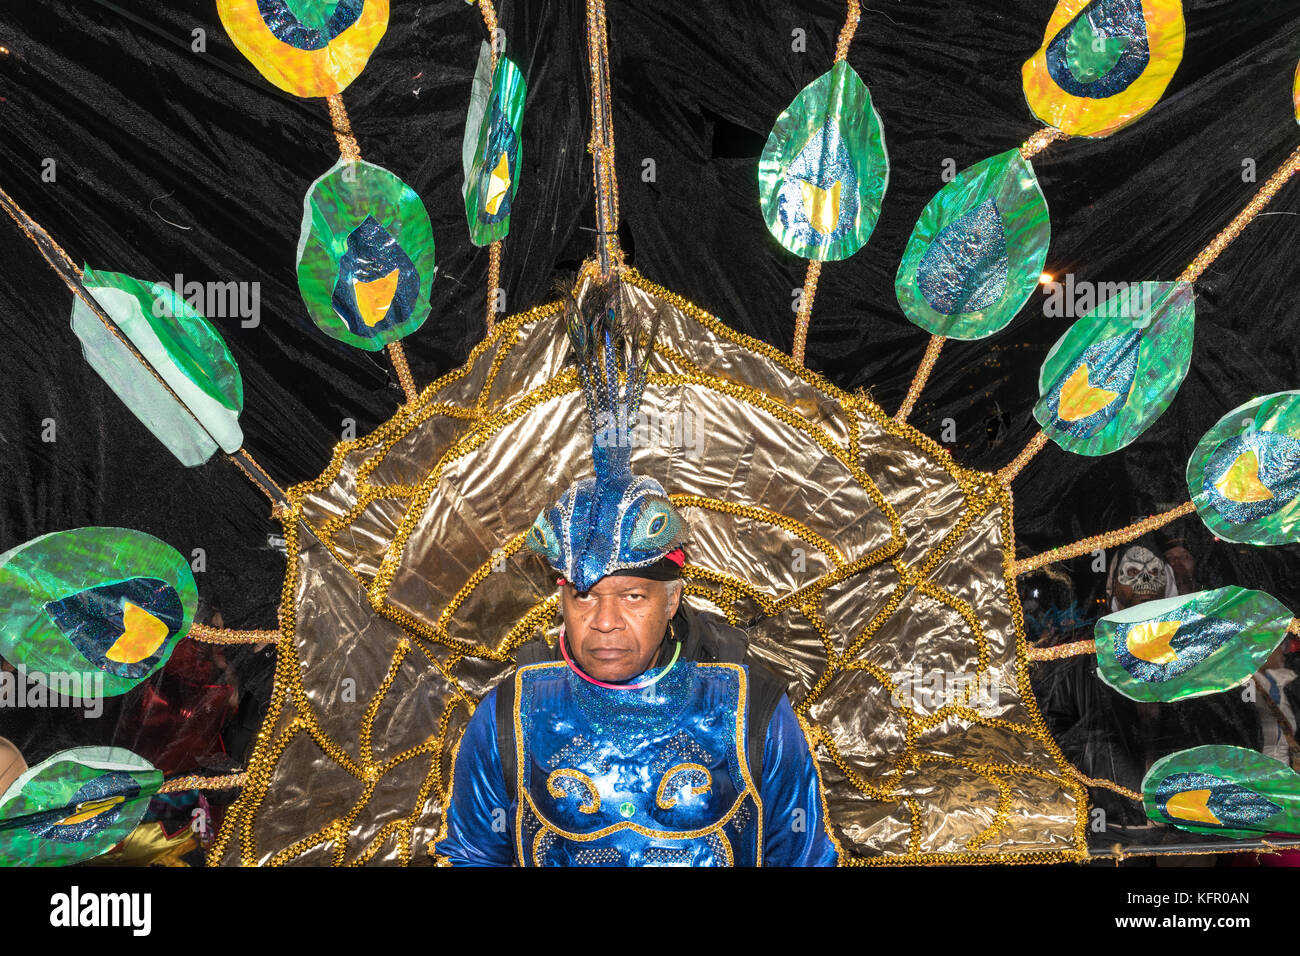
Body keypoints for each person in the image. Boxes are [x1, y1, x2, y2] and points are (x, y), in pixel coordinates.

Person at [433, 280, 837, 867]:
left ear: (673, 599)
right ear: (559, 597)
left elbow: (803, 858)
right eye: (584, 596)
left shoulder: (754, 714)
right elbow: (472, 855)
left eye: (631, 596)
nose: (604, 623)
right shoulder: (509, 718)